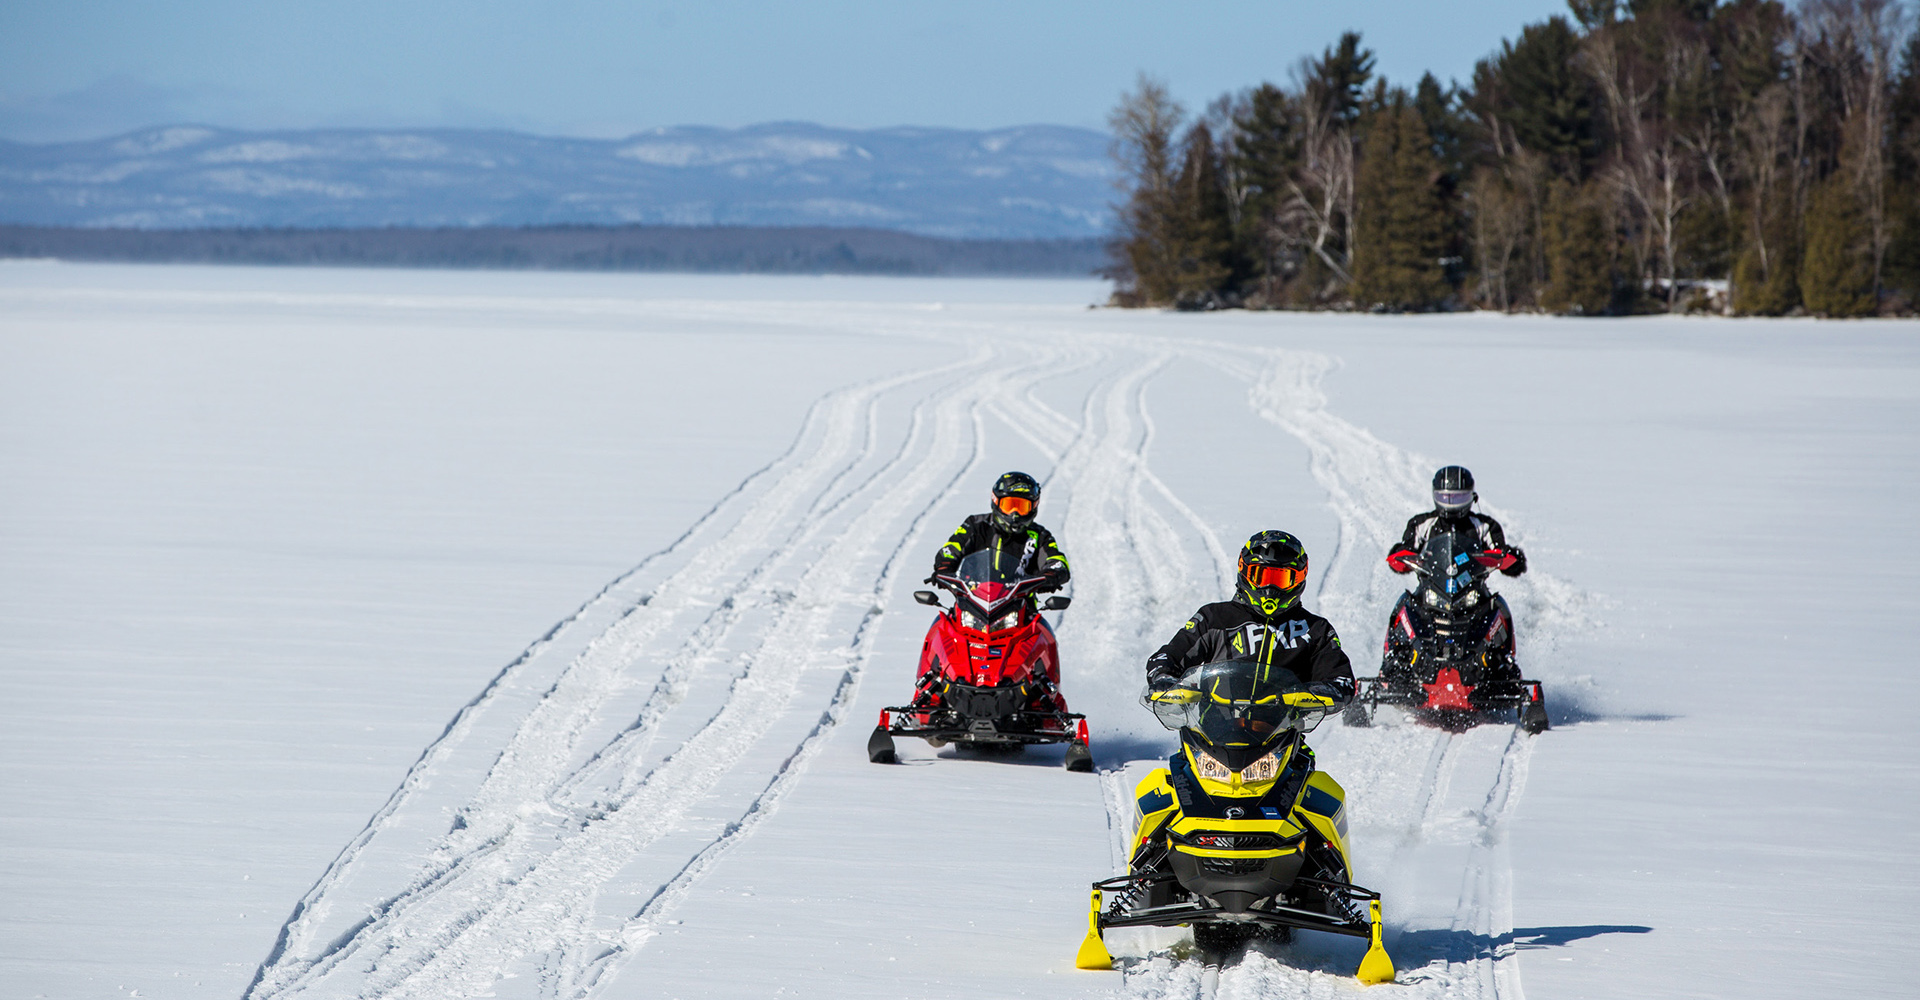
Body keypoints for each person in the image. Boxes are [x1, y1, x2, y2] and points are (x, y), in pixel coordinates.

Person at [1144, 530, 1355, 702]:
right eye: (1261, 576)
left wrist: (1324, 691)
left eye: (1280, 579)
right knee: (1180, 756)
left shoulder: (1315, 630)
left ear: (1299, 579)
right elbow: (1168, 655)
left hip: (1282, 737)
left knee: (1304, 757)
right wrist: (1164, 677)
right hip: (1211, 731)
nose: (1269, 588)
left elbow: (1341, 677)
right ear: (1244, 572)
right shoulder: (1214, 618)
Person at [929, 471, 1070, 591]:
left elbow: (1056, 559)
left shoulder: (1040, 536)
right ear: (996, 502)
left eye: (1021, 507)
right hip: (971, 600)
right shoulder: (975, 525)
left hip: (1021, 606)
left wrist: (1053, 574)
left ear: (1033, 507)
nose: (1015, 514)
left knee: (1040, 625)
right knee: (942, 623)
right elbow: (952, 548)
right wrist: (944, 566)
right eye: (1009, 505)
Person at [1385, 466, 1527, 577]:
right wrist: (1400, 555)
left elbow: (1500, 552)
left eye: (1459, 498)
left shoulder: (1485, 526)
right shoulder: (1421, 524)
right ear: (1435, 496)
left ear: (1472, 496)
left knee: (1498, 606)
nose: (1451, 504)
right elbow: (1405, 553)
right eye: (1445, 498)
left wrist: (1510, 558)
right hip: (1431, 588)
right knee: (1405, 605)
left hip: (1473, 589)